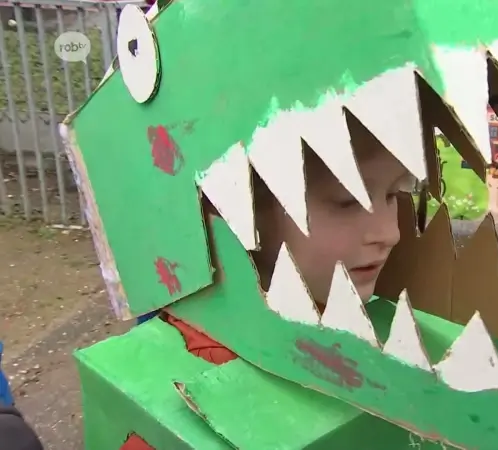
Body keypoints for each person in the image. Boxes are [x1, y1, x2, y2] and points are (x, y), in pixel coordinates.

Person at [125, 123, 412, 449]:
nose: (390, 233)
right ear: (245, 209)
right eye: (348, 201)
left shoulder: (347, 313)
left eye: (393, 195)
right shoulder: (177, 374)